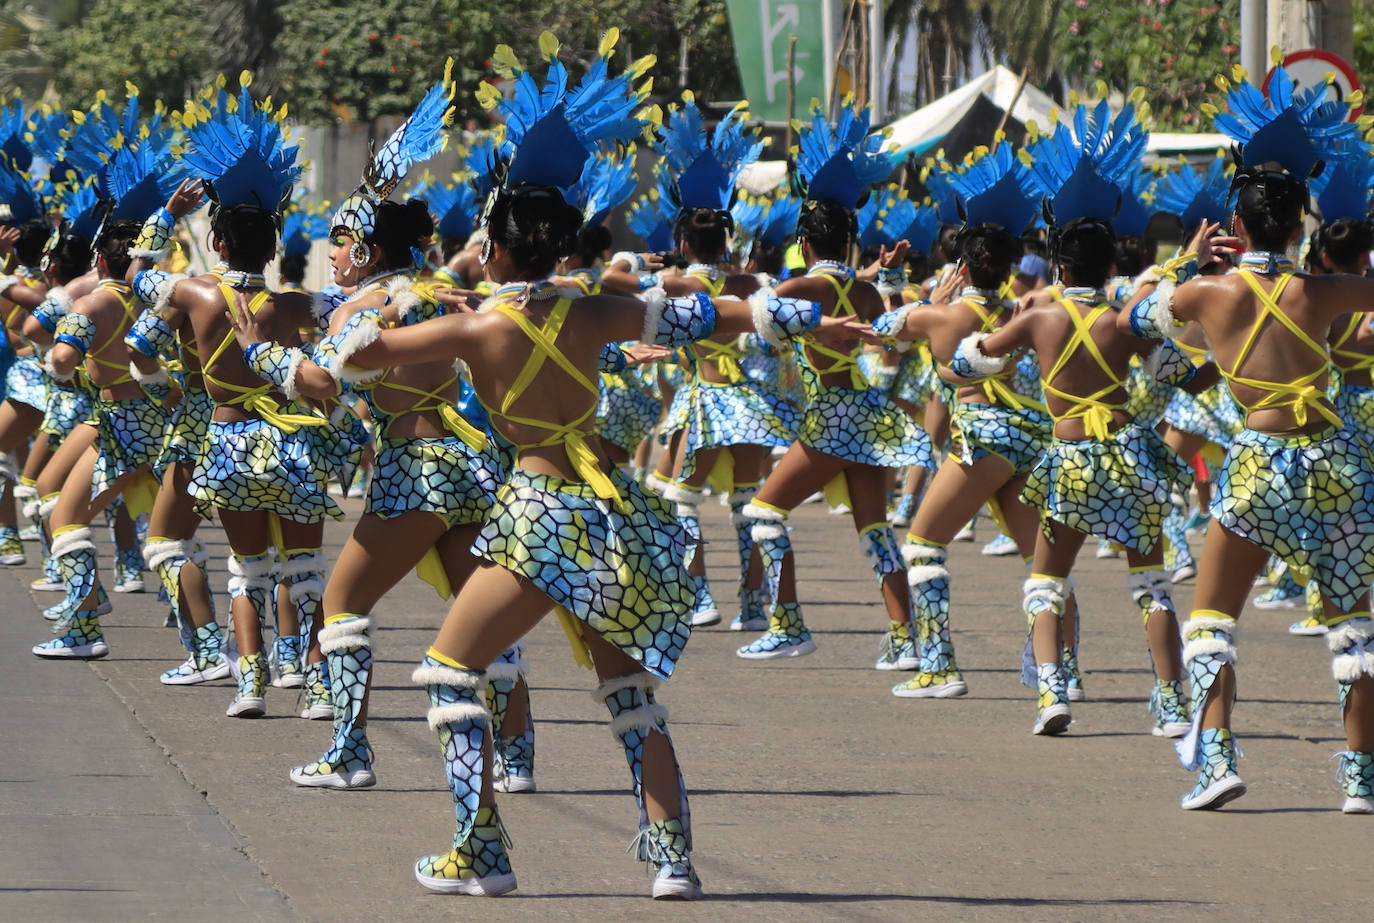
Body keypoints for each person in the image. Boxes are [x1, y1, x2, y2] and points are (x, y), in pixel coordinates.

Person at [231, 33, 866, 898]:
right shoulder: (597, 308)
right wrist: (799, 323)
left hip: (539, 517)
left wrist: (305, 340)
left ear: (495, 242)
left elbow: (347, 360)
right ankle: (672, 858)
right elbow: (703, 314)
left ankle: (480, 849)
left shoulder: (475, 326)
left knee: (453, 671)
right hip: (615, 517)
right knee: (629, 696)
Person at [1122, 63, 1374, 811]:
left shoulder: (1207, 292)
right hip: (1335, 463)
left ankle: (1217, 764)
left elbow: (1134, 316)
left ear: (1236, 222)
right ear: (1302, 223)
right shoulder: (1324, 289)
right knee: (1354, 626)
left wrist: (1183, 261)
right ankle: (1362, 781)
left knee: (1210, 619)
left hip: (1259, 466)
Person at [877, 141, 1082, 699]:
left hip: (982, 439)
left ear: (961, 264)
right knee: (1040, 564)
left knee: (922, 545)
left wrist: (897, 285)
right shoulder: (1023, 314)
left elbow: (880, 334)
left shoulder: (941, 315)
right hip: (1031, 441)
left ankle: (940, 668)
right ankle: (1064, 672)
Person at [733, 101, 932, 665]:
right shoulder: (864, 291)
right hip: (867, 413)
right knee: (875, 531)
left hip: (830, 420)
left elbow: (758, 315)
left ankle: (788, 623)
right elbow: (888, 325)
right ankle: (904, 641)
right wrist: (887, 277)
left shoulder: (802, 288)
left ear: (805, 239)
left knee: (765, 514)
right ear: (849, 239)